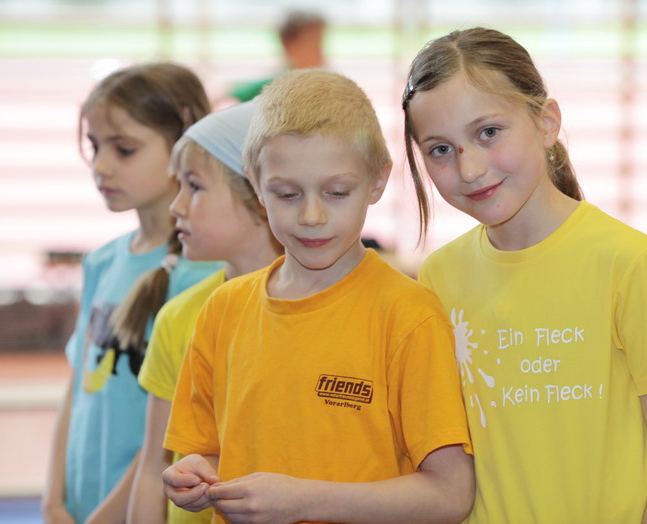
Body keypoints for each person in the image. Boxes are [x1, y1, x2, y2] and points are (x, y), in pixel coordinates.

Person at [402, 27, 647, 524]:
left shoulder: (626, 260)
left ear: (546, 122)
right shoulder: (439, 276)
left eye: (488, 132)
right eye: (441, 149)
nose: (470, 168)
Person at [162, 69, 475, 524]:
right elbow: (204, 451)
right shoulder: (223, 309)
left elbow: (450, 494)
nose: (312, 216)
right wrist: (194, 476)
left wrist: (304, 501)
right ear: (255, 184)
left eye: (336, 192)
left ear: (377, 181)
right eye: (287, 194)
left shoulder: (407, 315)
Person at [41, 62, 221, 524]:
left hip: (140, 508)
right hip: (81, 503)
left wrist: (109, 515)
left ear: (182, 143)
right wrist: (53, 499)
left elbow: (166, 433)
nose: (101, 166)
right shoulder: (101, 262)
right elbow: (77, 388)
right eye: (94, 146)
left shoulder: (206, 277)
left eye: (124, 149)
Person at [127, 101, 283, 524]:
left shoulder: (321, 311)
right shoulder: (179, 317)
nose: (176, 206)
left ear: (259, 194)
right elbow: (153, 468)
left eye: (194, 186)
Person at [227, 10, 326, 103]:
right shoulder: (271, 85)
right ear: (290, 45)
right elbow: (231, 99)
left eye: (321, 43)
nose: (320, 52)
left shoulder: (323, 84)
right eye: (313, 44)